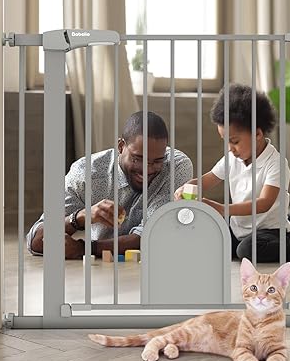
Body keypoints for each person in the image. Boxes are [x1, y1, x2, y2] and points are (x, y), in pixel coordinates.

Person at [27, 111, 193, 259]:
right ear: (121, 146)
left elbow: (153, 233)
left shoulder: (176, 167)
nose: (148, 169)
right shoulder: (86, 173)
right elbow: (36, 240)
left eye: (157, 161)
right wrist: (80, 217)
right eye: (138, 159)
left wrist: (84, 249)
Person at [175, 84, 290, 262]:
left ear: (257, 134)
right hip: (239, 228)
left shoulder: (276, 163)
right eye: (226, 141)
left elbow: (264, 203)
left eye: (235, 141)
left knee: (247, 250)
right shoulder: (231, 158)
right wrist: (187, 187)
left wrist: (222, 209)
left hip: (269, 231)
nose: (230, 148)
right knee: (211, 239)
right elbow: (207, 180)